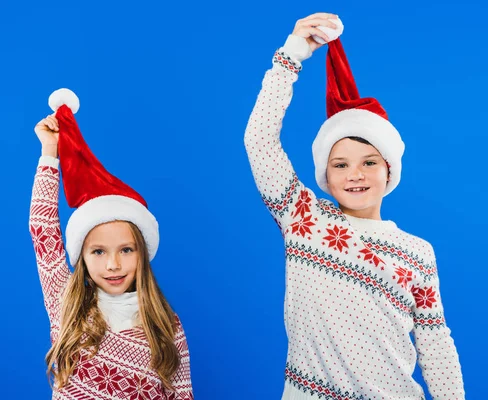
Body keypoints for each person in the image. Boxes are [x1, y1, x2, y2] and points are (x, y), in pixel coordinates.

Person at [244, 13, 464, 399]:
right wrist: (292, 55)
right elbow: (259, 141)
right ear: (325, 176)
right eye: (340, 164)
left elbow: (436, 346)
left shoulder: (417, 254)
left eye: (369, 162)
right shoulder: (303, 219)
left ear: (389, 170)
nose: (355, 175)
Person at [29, 89, 193, 399]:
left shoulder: (165, 325)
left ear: (142, 254)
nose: (113, 264)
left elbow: (182, 394)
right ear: (82, 255)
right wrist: (50, 151)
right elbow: (43, 231)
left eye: (126, 250)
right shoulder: (66, 305)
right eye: (99, 251)